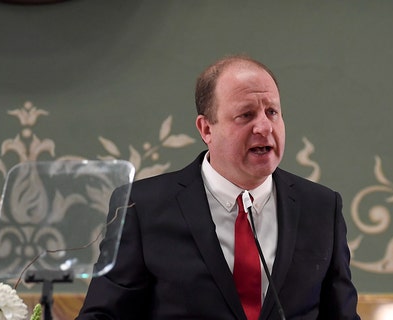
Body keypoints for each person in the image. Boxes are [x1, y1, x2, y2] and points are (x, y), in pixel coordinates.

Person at [77, 55, 361, 319]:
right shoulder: (141, 207)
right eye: (246, 115)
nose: (264, 127)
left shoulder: (322, 207)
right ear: (206, 129)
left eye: (272, 112)